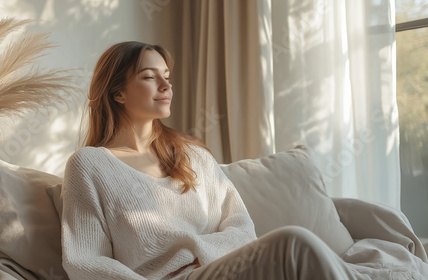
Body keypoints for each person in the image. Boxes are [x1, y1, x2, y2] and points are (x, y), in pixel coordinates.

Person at [61, 41, 362, 280]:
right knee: (293, 243)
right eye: (149, 78)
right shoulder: (89, 165)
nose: (166, 86)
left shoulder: (193, 155)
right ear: (118, 93)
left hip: (223, 271)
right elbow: (86, 263)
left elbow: (242, 229)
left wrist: (200, 252)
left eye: (166, 77)